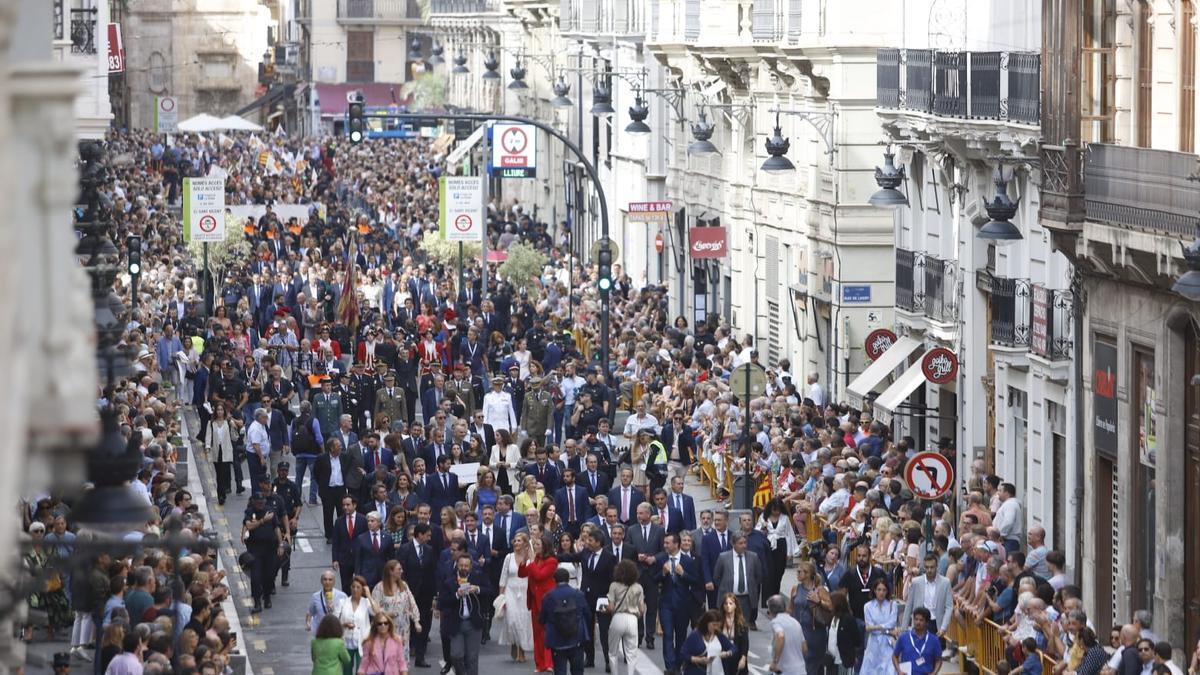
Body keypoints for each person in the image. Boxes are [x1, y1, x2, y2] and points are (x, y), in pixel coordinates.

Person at [439, 553, 486, 675]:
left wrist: (477, 589)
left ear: (471, 567)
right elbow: (442, 602)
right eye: (461, 565)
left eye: (466, 565)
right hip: (456, 623)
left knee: (472, 658)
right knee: (456, 655)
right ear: (457, 566)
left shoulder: (478, 577)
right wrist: (456, 595)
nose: (463, 568)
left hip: (473, 623)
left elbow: (490, 591)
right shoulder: (449, 582)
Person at [519, 533, 560, 672]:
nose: (534, 547)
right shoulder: (535, 559)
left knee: (547, 631)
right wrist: (525, 561)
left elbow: (540, 576)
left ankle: (549, 663)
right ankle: (539, 663)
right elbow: (522, 573)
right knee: (537, 633)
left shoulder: (552, 561)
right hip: (534, 599)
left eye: (537, 545)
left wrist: (531, 561)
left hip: (546, 600)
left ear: (545, 547)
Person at [538, 567, 590, 675]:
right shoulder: (578, 594)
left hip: (557, 639)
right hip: (576, 638)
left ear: (554, 579)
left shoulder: (548, 597)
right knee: (577, 670)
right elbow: (587, 614)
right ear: (568, 579)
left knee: (560, 670)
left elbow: (542, 619)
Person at [371, 560, 420, 667]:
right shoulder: (379, 588)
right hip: (386, 629)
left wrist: (416, 621)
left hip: (403, 630)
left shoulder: (404, 586)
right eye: (399, 569)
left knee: (401, 661)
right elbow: (373, 608)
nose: (401, 571)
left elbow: (412, 604)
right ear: (390, 571)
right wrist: (386, 614)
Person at [498, 531, 535, 663]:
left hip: (526, 592)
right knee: (512, 619)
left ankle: (522, 650)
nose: (516, 543)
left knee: (524, 621)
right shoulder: (509, 557)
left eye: (519, 541)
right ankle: (514, 643)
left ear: (525, 543)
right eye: (515, 540)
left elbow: (535, 574)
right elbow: (503, 576)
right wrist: (501, 596)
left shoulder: (530, 558)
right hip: (510, 591)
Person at [789, 560, 830, 674]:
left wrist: (819, 601)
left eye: (799, 572)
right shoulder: (795, 588)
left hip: (814, 633)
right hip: (798, 632)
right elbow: (791, 609)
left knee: (811, 666)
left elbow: (831, 607)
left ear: (807, 574)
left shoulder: (820, 590)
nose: (797, 574)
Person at [606, 560, 645, 675]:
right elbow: (642, 609)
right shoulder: (638, 587)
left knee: (612, 652)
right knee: (631, 653)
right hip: (633, 619)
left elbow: (611, 607)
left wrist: (605, 609)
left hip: (617, 618)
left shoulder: (614, 585)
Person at [336, 575, 376, 675]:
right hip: (346, 641)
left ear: (363, 589)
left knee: (361, 671)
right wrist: (344, 624)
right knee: (347, 671)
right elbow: (334, 621)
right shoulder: (343, 602)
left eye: (358, 587)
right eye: (353, 587)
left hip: (362, 642)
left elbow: (377, 613)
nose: (355, 590)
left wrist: (369, 595)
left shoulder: (366, 602)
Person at [679, 609, 736, 675]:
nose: (716, 628)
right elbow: (683, 654)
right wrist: (699, 660)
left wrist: (727, 653)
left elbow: (733, 648)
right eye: (714, 625)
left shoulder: (719, 635)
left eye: (718, 625)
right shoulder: (695, 636)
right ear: (706, 623)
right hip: (697, 671)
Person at [891, 607, 942, 675]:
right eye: (916, 619)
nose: (918, 622)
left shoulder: (934, 640)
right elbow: (894, 656)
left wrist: (934, 673)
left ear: (927, 622)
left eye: (921, 620)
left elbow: (938, 660)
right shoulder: (903, 637)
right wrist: (899, 671)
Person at [861, 578, 897, 672]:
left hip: (888, 642)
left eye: (884, 590)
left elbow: (892, 622)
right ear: (874, 590)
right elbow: (868, 627)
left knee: (889, 669)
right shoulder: (867, 606)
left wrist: (876, 627)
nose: (881, 592)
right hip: (873, 643)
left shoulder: (892, 605)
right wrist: (887, 630)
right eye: (879, 590)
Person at [766, 595, 807, 675]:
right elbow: (804, 648)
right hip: (800, 670)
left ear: (771, 611)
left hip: (785, 671)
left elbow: (781, 636)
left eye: (768, 612)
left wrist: (775, 662)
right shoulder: (795, 622)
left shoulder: (776, 622)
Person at [826, 590, 861, 675]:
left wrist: (854, 656)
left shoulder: (848, 619)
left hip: (843, 661)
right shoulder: (832, 617)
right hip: (831, 660)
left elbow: (856, 640)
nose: (828, 604)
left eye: (830, 602)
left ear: (837, 604)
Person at [718, 593, 750, 675]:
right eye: (726, 603)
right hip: (722, 658)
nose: (728, 606)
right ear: (723, 606)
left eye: (730, 603)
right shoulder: (718, 622)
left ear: (735, 605)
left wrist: (743, 658)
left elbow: (745, 643)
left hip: (736, 657)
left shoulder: (741, 623)